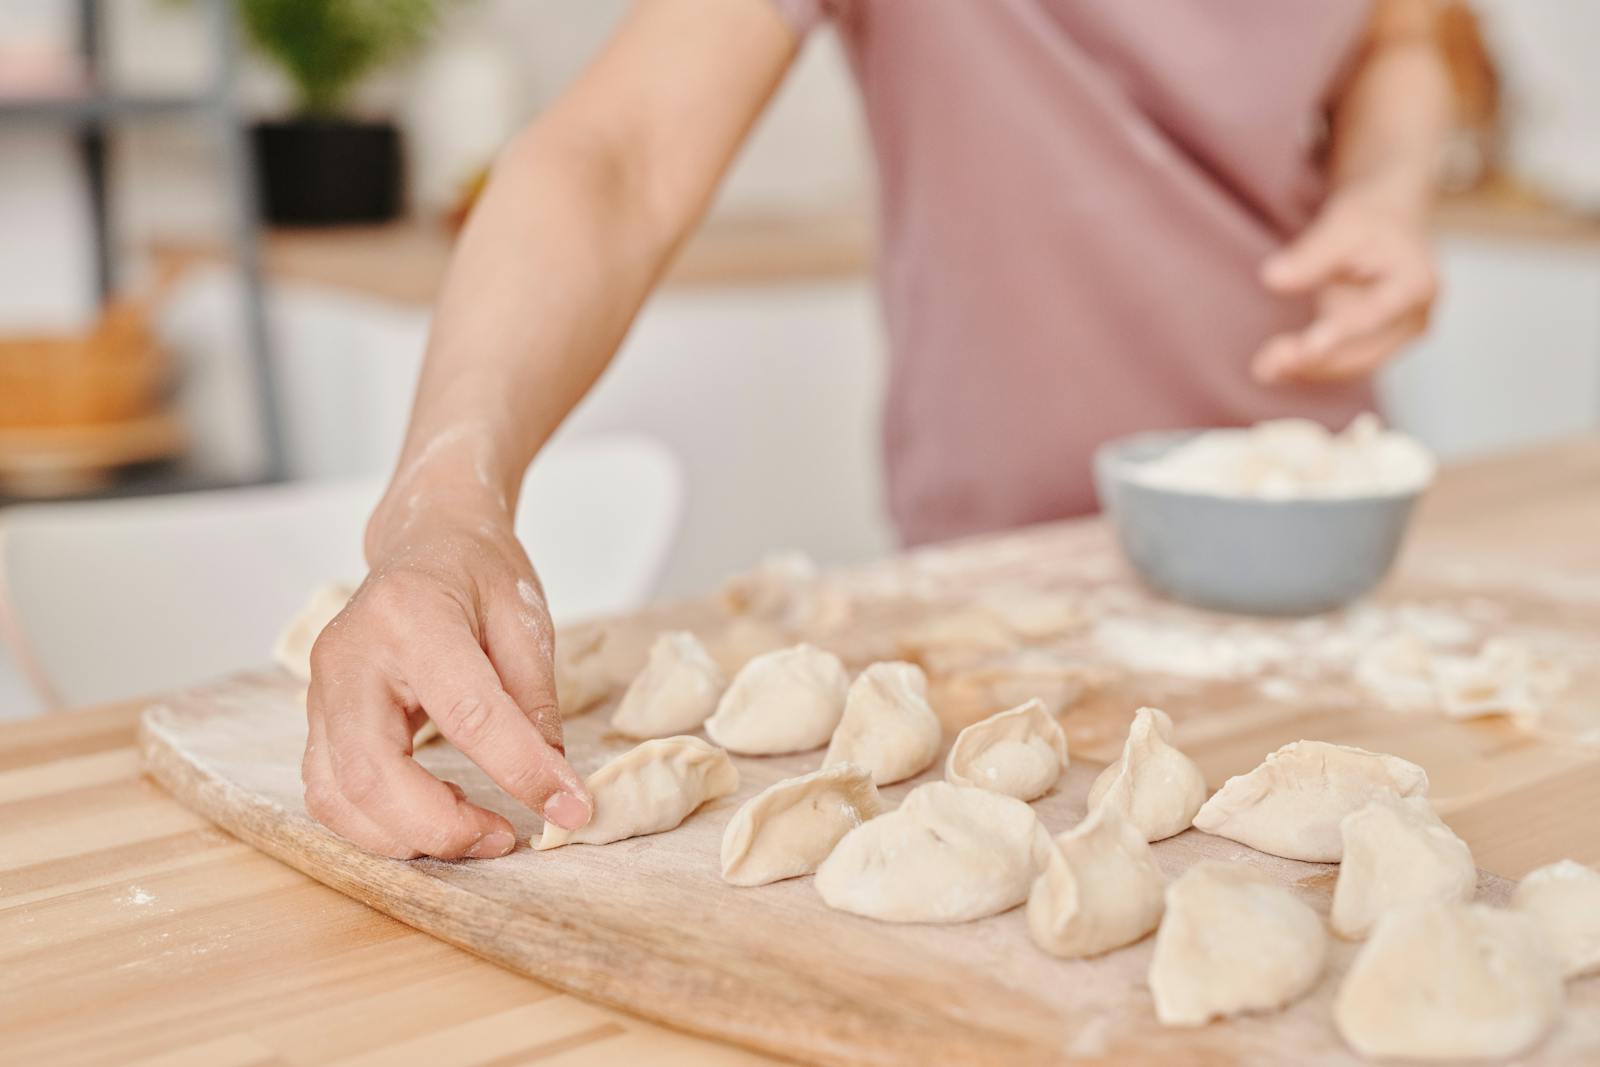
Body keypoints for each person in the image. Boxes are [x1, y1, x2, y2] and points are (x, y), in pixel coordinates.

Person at [301, 0, 1451, 859]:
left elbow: (1404, 34)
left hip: (1318, 525)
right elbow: (619, 155)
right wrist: (442, 499)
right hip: (992, 579)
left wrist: (1385, 188)